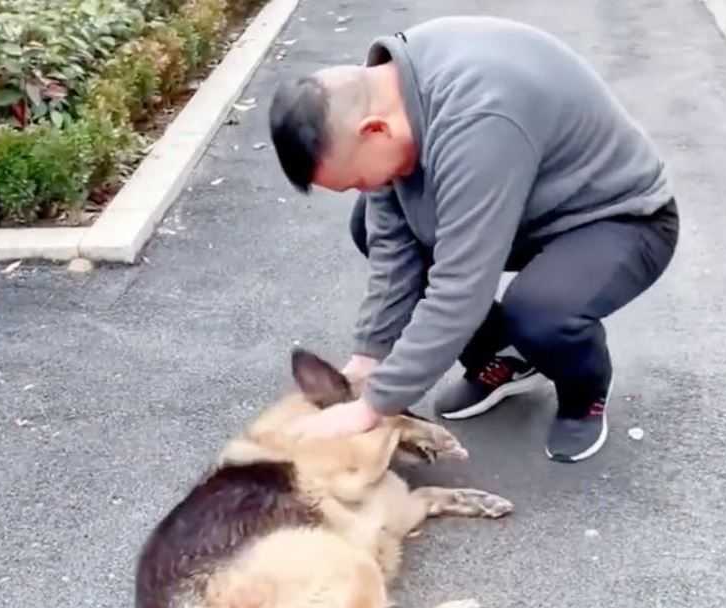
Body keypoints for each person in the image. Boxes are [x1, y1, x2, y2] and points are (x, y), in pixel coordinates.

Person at [267, 15, 679, 462]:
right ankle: (503, 359)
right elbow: (393, 244)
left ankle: (585, 395)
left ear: (374, 130)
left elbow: (461, 286)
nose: (365, 190)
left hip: (617, 217)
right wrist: (371, 356)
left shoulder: (479, 118)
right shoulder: (388, 94)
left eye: (357, 180)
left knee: (539, 312)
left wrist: (369, 409)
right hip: (526, 205)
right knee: (368, 224)